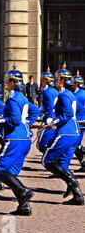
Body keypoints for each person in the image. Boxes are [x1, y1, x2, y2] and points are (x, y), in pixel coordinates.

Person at [0, 69, 40, 215]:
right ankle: (24, 206)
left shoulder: (13, 98)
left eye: (7, 82)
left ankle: (23, 191)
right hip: (24, 137)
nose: (5, 84)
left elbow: (14, 120)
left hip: (14, 138)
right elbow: (35, 111)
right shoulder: (22, 97)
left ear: (13, 83)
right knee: (10, 173)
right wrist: (27, 123)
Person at [41, 67, 84, 205]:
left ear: (62, 81)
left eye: (57, 79)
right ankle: (77, 195)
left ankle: (72, 182)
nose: (55, 81)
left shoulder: (63, 95)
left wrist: (53, 122)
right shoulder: (71, 94)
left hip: (65, 132)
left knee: (46, 160)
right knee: (63, 163)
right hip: (74, 132)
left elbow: (67, 114)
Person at [36, 69, 59, 154]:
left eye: (42, 80)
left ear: (46, 81)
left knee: (41, 145)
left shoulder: (47, 91)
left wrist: (44, 116)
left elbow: (49, 107)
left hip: (50, 118)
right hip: (55, 117)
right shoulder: (55, 91)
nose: (41, 82)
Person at [71, 72, 85, 172]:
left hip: (79, 121)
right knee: (76, 144)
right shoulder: (83, 93)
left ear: (76, 84)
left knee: (75, 144)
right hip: (82, 120)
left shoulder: (76, 95)